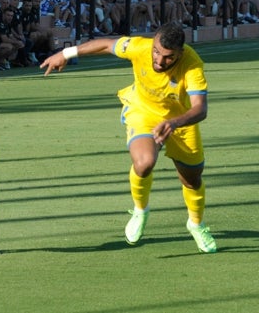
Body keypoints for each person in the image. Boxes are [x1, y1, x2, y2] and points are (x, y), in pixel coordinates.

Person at [40, 22, 217, 254]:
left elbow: (200, 109)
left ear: (180, 53)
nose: (159, 61)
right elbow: (105, 45)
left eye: (168, 57)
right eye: (157, 52)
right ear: (153, 42)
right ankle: (140, 210)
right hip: (143, 112)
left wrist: (174, 123)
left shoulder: (192, 65)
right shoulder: (139, 47)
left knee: (192, 180)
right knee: (144, 164)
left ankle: (196, 224)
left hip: (180, 121)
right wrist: (65, 53)